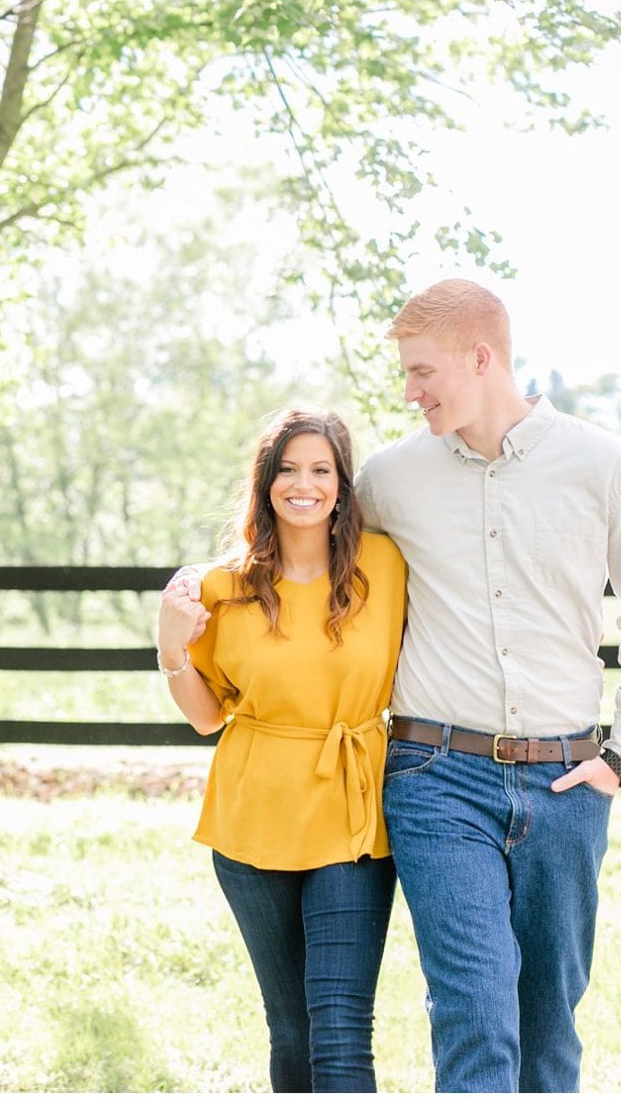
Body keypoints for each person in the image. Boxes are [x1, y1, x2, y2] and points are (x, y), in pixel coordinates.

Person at [354, 278, 621, 1092]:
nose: (411, 392)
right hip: (436, 777)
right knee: (473, 1009)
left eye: (423, 371)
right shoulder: (389, 479)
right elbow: (309, 555)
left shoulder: (606, 464)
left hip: (568, 780)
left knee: (548, 1023)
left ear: (482, 357)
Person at [156, 407, 408, 1093]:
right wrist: (169, 645)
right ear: (266, 482)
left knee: (342, 1026)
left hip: (352, 818)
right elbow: (207, 718)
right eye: (289, 469)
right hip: (252, 817)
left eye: (321, 470)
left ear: (342, 483)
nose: (305, 484)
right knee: (291, 1028)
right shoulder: (221, 587)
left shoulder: (384, 565)